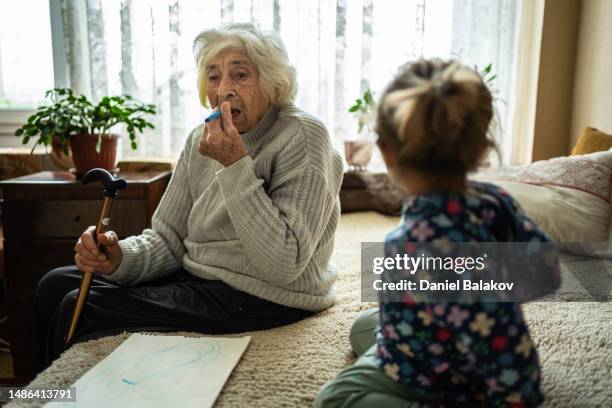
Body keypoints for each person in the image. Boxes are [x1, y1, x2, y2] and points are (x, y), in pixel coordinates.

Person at [33, 23, 343, 372]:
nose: (224, 90)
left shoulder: (303, 136)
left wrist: (235, 164)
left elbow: (285, 265)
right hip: (200, 277)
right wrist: (119, 258)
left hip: (265, 295)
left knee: (82, 305)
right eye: (213, 77)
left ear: (273, 83)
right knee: (54, 284)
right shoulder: (202, 137)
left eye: (240, 75)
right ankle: (32, 394)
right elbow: (168, 239)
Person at [315, 59, 555, 407]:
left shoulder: (410, 246)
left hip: (443, 376)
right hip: (488, 359)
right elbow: (546, 274)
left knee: (335, 399)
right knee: (364, 326)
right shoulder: (494, 199)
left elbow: (480, 324)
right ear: (481, 150)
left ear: (386, 152)